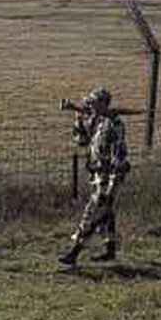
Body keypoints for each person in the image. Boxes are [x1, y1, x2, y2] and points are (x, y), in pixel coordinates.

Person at [58, 87, 130, 268]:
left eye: (93, 102)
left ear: (104, 104)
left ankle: (74, 252)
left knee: (93, 213)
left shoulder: (115, 125)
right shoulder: (96, 120)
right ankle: (110, 249)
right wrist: (78, 121)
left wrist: (112, 185)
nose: (89, 105)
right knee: (106, 213)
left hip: (110, 176)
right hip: (97, 175)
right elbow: (81, 141)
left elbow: (119, 155)